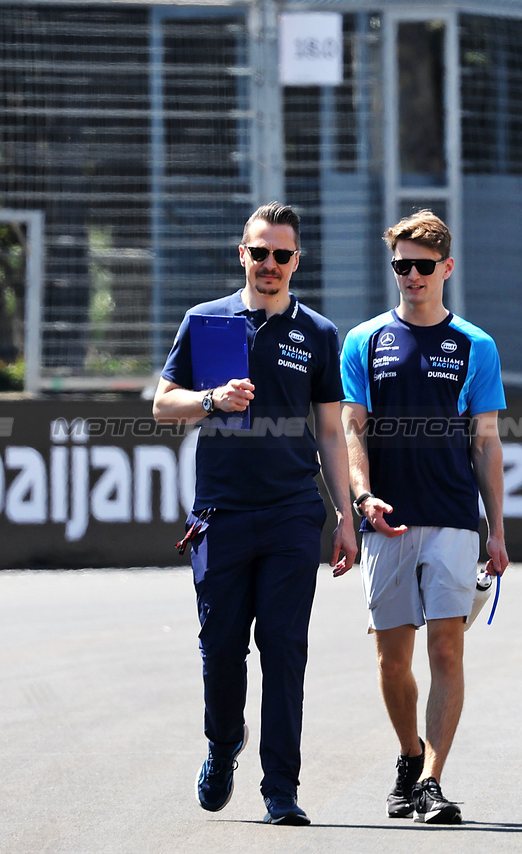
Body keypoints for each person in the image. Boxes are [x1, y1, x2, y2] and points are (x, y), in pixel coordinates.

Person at [152, 201, 357, 826]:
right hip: (220, 511)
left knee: (285, 649)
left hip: (294, 513)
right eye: (260, 252)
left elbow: (330, 431)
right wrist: (210, 400)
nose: (270, 264)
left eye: (282, 255)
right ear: (242, 254)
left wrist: (344, 514)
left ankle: (281, 791)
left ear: (298, 261)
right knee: (220, 648)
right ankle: (222, 742)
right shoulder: (204, 322)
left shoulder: (319, 333)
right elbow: (163, 405)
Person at [338, 210, 509, 825]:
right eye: (401, 266)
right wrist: (361, 497)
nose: (411, 276)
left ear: (446, 269)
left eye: (422, 266)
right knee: (392, 659)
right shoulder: (364, 341)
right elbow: (350, 428)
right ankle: (409, 757)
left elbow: (486, 441)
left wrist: (497, 529)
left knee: (447, 651)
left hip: (455, 518)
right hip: (386, 521)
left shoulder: (475, 345)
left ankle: (432, 781)